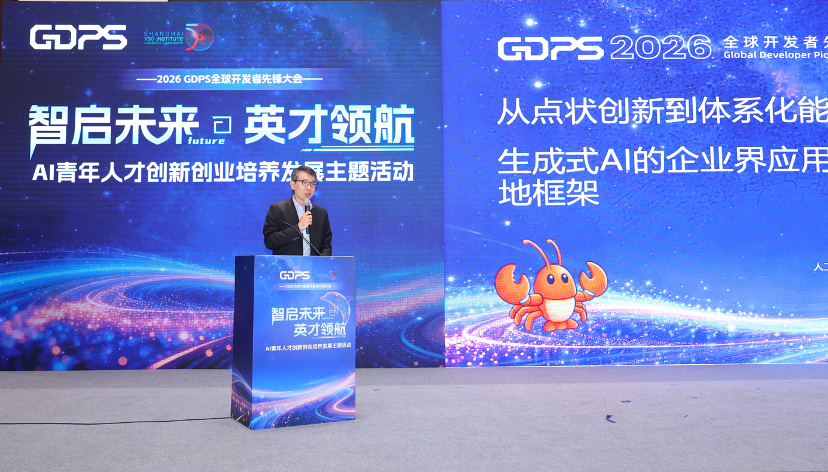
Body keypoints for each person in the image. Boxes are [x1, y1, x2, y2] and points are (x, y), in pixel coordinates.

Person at [263, 165, 333, 256]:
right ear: (293, 185)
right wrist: (298, 227)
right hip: (287, 265)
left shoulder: (321, 213)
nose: (309, 188)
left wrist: (320, 261)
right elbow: (270, 241)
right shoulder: (277, 209)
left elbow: (326, 245)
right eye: (305, 182)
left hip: (314, 264)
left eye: (312, 183)